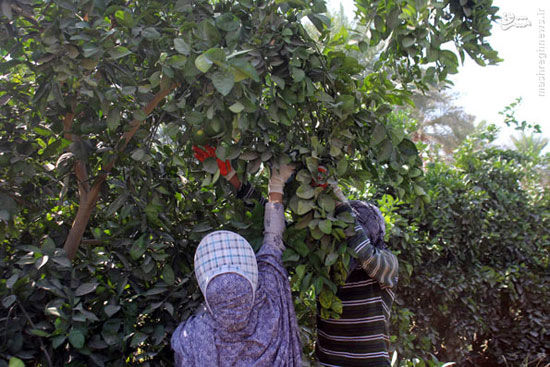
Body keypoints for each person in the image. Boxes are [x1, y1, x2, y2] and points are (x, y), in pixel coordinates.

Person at [190, 146, 399, 366]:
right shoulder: (326, 259)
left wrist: (337, 198)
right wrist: (236, 180)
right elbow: (277, 231)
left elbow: (364, 252)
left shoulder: (386, 264)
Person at [170, 154, 302, 367]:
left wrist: (233, 178)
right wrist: (276, 185)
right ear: (250, 280)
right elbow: (273, 243)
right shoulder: (271, 305)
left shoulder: (192, 338)